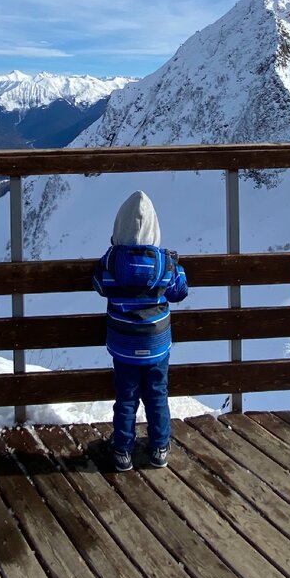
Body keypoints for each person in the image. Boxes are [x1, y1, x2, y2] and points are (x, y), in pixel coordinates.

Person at [92, 190, 188, 472]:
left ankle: (122, 450)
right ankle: (159, 447)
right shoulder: (165, 265)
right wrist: (176, 266)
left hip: (124, 347)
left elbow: (99, 285)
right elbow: (179, 292)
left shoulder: (111, 265)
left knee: (126, 398)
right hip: (157, 344)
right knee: (157, 394)